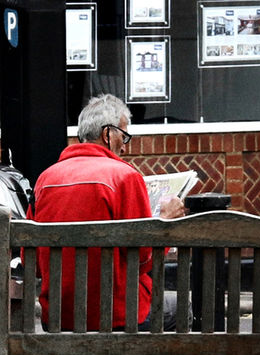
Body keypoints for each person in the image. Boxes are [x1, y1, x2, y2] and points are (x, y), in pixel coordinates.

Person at [29, 94, 185, 331]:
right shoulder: (124, 177)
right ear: (107, 134)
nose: (124, 146)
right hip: (118, 316)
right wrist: (164, 223)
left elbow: (36, 264)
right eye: (124, 137)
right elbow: (143, 261)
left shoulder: (45, 180)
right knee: (181, 307)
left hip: (60, 317)